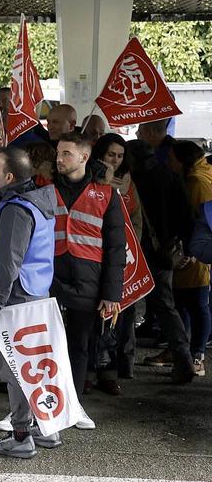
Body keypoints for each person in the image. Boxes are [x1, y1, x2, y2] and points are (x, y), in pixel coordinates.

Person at [0, 147, 61, 458]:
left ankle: (22, 435)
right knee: (36, 366)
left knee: (16, 368)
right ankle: (46, 429)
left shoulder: (15, 210)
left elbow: (6, 263)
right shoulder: (36, 202)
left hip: (14, 299)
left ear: (9, 177)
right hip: (33, 293)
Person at [51, 132, 125, 404]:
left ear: (84, 156)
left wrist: (112, 294)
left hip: (88, 281)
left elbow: (117, 249)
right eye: (58, 153)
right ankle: (49, 402)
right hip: (51, 277)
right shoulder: (46, 190)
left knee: (80, 346)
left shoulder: (107, 194)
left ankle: (73, 404)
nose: (59, 159)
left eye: (66, 154)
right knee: (48, 344)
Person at [126, 139, 195, 382]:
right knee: (166, 306)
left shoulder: (134, 182)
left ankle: (125, 363)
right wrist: (185, 248)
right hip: (166, 253)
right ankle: (183, 358)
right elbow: (187, 217)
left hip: (137, 252)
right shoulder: (171, 177)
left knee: (127, 304)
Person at [92, 133, 142, 382]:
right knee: (96, 314)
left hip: (123, 256)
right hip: (94, 257)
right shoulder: (90, 181)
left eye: (120, 155)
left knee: (125, 313)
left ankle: (123, 365)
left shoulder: (128, 184)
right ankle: (95, 368)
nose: (115, 159)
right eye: (111, 154)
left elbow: (136, 221)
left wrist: (131, 249)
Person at [169, 140, 212, 378]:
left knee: (197, 305)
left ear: (182, 161)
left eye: (172, 158)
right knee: (189, 304)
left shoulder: (196, 182)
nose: (168, 162)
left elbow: (200, 219)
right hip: (193, 251)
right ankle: (185, 352)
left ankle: (196, 356)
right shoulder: (203, 173)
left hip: (195, 254)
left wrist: (195, 252)